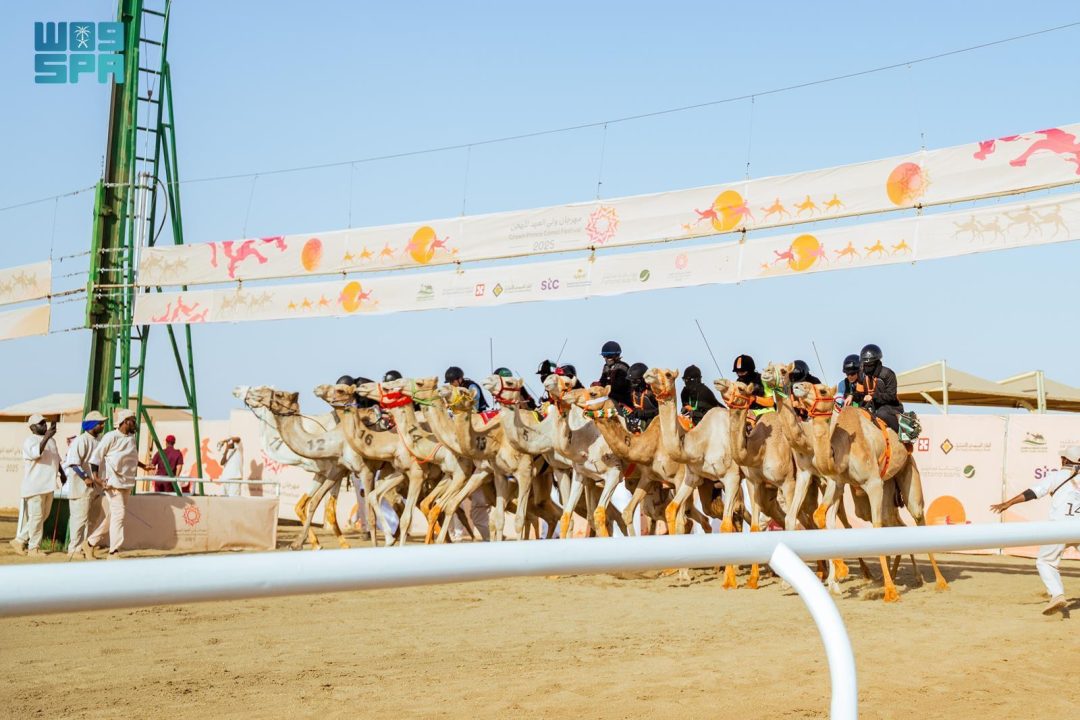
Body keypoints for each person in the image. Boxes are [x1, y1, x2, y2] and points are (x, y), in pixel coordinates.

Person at [990, 445, 1080, 615]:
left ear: (1066, 460)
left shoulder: (1057, 476)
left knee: (1045, 562)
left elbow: (1033, 492)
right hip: (1078, 528)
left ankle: (1057, 595)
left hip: (1059, 529)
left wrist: (1008, 503)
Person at [86, 410, 147, 559]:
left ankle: (89, 544)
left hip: (126, 483)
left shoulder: (132, 438)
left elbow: (131, 458)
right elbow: (95, 458)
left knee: (113, 517)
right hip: (112, 484)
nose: (135, 423)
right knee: (119, 516)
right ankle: (114, 552)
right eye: (133, 420)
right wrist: (96, 478)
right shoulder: (110, 437)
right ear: (125, 421)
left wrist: (144, 466)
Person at [10, 414, 64, 557]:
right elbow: (36, 453)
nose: (44, 425)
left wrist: (63, 474)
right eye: (40, 423)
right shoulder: (30, 441)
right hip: (35, 486)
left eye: (44, 423)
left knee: (41, 517)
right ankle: (34, 548)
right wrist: (46, 437)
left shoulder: (51, 441)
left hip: (49, 485)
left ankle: (19, 540)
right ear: (32, 427)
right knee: (37, 517)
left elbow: (56, 459)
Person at [64, 411, 106, 560]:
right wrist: (85, 477)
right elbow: (74, 462)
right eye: (100, 423)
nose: (103, 425)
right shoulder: (81, 440)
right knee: (79, 519)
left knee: (92, 520)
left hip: (96, 490)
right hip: (81, 489)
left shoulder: (100, 440)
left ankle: (85, 548)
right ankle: (74, 549)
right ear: (92, 425)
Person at [857, 343, 903, 432]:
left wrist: (873, 396)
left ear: (877, 362)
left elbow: (891, 396)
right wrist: (851, 396)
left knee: (882, 413)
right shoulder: (861, 375)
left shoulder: (888, 374)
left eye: (869, 365)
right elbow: (859, 394)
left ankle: (900, 434)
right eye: (865, 364)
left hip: (891, 407)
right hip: (871, 406)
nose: (866, 367)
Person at [597, 341, 633, 407]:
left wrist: (605, 388)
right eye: (604, 356)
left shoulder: (623, 367)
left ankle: (629, 416)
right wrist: (598, 385)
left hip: (622, 401)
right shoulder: (606, 367)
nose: (605, 358)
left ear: (616, 356)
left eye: (608, 356)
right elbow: (603, 380)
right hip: (609, 397)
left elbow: (619, 387)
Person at [627, 362, 659, 429]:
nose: (633, 384)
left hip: (654, 424)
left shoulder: (651, 392)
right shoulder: (630, 392)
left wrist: (644, 414)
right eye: (631, 381)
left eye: (636, 381)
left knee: (650, 422)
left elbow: (662, 410)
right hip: (638, 422)